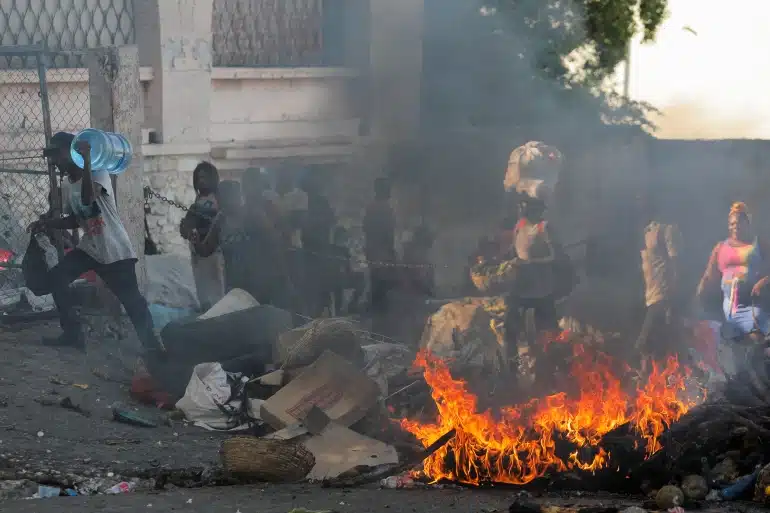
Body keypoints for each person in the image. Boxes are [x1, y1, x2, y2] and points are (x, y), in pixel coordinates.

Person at [27, 131, 165, 358]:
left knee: (132, 302)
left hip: (114, 249)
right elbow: (76, 218)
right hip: (90, 248)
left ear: (71, 152)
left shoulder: (98, 172)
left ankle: (153, 348)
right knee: (57, 279)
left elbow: (88, 199)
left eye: (57, 154)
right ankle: (72, 333)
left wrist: (88, 161)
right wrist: (46, 224)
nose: (55, 162)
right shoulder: (67, 184)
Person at [696, 202, 770, 338]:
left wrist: (764, 281)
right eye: (732, 224)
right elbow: (709, 275)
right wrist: (701, 289)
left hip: (752, 306)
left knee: (758, 336)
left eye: (739, 223)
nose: (735, 227)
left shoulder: (759, 243)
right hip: (728, 309)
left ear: (748, 223)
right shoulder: (720, 247)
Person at [635, 206, 682, 372]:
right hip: (649, 296)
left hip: (662, 295)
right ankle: (652, 387)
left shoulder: (665, 230)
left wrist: (672, 297)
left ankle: (649, 383)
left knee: (644, 342)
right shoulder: (642, 232)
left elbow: (676, 264)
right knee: (656, 346)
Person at [180, 161, 224, 311]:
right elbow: (190, 222)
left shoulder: (219, 198)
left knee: (217, 284)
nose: (201, 181)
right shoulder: (198, 201)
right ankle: (207, 310)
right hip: (198, 252)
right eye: (198, 178)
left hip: (215, 251)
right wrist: (185, 228)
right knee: (202, 285)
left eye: (205, 177)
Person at [300, 172, 336, 316]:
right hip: (312, 253)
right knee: (316, 289)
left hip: (320, 252)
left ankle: (323, 315)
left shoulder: (320, 201)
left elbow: (331, 220)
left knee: (323, 289)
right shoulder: (305, 202)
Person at [363, 177, 396, 315]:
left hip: (372, 251)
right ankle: (381, 316)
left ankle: (377, 314)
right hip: (382, 253)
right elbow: (389, 234)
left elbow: (365, 228)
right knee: (382, 287)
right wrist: (391, 253)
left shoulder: (370, 208)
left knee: (376, 283)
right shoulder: (385, 209)